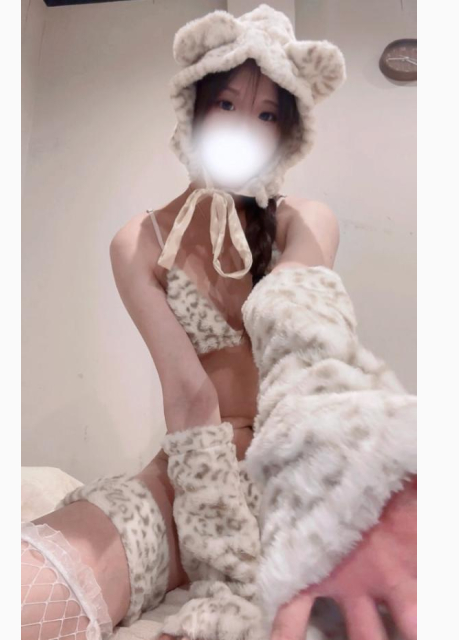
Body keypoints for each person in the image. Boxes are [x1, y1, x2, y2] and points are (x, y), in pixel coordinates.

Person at [21, 5, 416, 640]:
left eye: (267, 115)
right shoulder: (140, 243)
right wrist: (222, 559)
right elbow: (189, 397)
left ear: (286, 135)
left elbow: (301, 333)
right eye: (227, 104)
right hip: (189, 477)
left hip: (292, 478)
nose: (244, 128)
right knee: (29, 587)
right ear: (194, 111)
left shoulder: (306, 220)